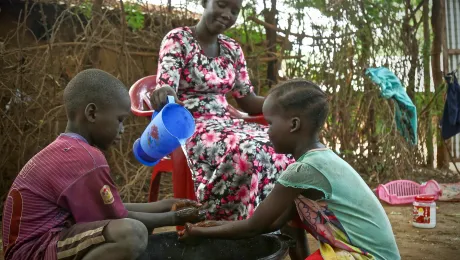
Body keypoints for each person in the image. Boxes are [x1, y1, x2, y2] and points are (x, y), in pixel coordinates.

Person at [178, 79, 401, 260]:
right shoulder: (317, 161)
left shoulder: (304, 170)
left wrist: (199, 232)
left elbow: (255, 226)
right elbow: (278, 222)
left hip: (366, 257)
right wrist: (216, 224)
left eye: (270, 123)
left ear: (293, 125)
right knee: (291, 222)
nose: (267, 131)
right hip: (360, 254)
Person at [1, 69, 204, 260]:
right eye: (120, 120)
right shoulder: (85, 159)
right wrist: (176, 217)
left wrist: (163, 205)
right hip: (33, 251)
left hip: (40, 245)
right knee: (132, 233)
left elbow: (113, 209)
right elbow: (118, 216)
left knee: (131, 227)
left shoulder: (67, 149)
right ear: (92, 114)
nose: (123, 129)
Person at [149, 0, 294, 221]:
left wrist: (286, 105)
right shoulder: (178, 39)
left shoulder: (232, 49)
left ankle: (270, 222)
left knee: (283, 144)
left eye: (234, 11)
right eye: (222, 4)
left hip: (226, 123)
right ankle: (223, 223)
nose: (227, 14)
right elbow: (167, 88)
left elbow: (246, 99)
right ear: (205, 2)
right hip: (189, 125)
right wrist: (165, 90)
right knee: (248, 151)